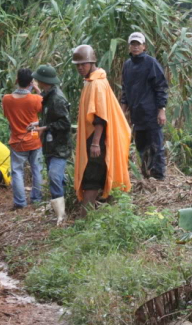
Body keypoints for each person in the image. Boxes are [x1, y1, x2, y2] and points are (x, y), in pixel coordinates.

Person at [72, 45, 131, 218]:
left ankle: (84, 220)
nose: (80, 68)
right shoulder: (93, 81)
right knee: (103, 176)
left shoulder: (96, 84)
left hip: (97, 140)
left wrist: (96, 143)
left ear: (91, 62)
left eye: (83, 64)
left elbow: (100, 117)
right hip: (97, 139)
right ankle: (112, 218)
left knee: (91, 179)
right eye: (77, 65)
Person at [120, 31, 169, 181]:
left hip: (151, 113)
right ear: (129, 47)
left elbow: (161, 87)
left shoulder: (151, 63)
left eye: (138, 44)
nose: (135, 47)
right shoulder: (127, 65)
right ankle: (146, 175)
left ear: (144, 47)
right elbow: (125, 89)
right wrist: (123, 108)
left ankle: (159, 177)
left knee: (156, 146)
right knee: (141, 147)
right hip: (137, 115)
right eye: (133, 44)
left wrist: (161, 110)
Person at [30, 65, 71, 225]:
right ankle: (60, 212)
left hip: (59, 146)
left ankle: (62, 216)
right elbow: (51, 119)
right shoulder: (48, 96)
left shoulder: (57, 99)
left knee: (54, 175)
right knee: (56, 177)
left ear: (43, 81)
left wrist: (46, 127)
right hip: (50, 146)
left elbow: (65, 123)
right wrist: (37, 124)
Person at [2, 68, 43, 210]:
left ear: (17, 81)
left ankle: (20, 202)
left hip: (17, 141)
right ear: (31, 82)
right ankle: (37, 199)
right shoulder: (36, 99)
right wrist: (37, 88)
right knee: (36, 169)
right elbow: (49, 105)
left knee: (17, 172)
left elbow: (7, 116)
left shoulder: (6, 99)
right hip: (34, 139)